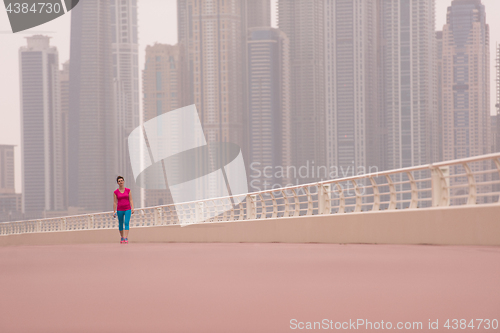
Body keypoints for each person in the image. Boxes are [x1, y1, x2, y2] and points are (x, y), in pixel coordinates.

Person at [113, 176, 134, 244]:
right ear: (117, 183)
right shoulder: (115, 192)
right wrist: (114, 211)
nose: (120, 182)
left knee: (126, 222)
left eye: (121, 180)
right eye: (119, 181)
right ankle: (122, 237)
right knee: (121, 223)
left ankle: (126, 237)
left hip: (127, 209)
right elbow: (115, 202)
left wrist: (132, 208)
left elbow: (130, 199)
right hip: (120, 210)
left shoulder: (128, 190)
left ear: (123, 181)